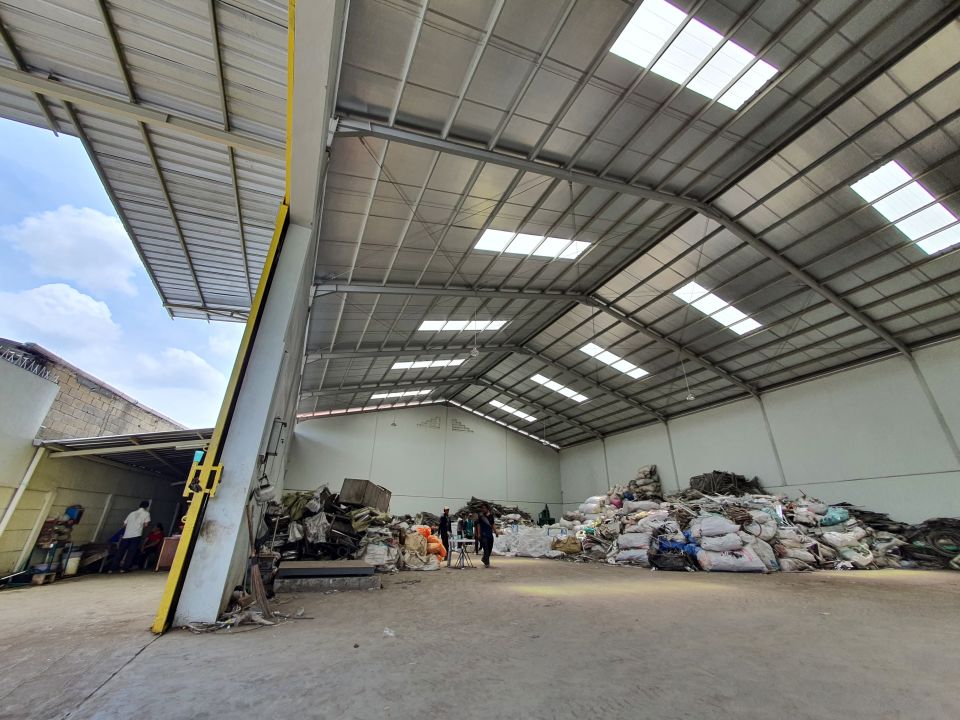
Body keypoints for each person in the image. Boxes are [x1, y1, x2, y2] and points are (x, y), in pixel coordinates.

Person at [111, 500, 151, 573]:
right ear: (147, 507)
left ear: (139, 505)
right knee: (131, 553)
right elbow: (146, 525)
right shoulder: (146, 513)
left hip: (126, 535)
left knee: (120, 552)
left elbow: (124, 525)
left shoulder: (131, 513)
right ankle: (124, 568)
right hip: (136, 535)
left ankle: (113, 568)